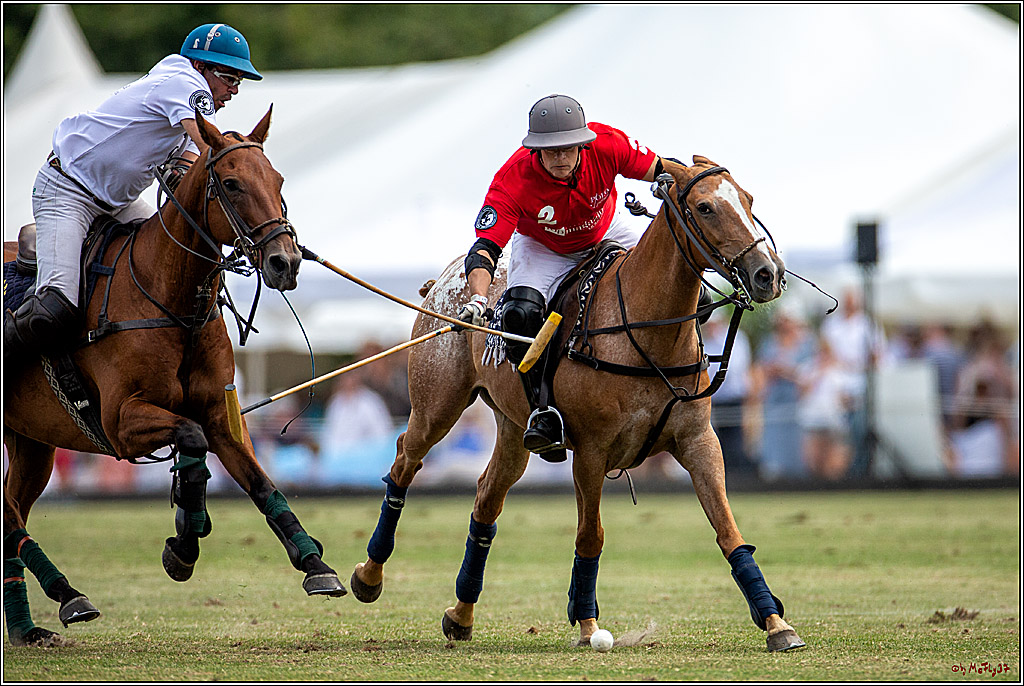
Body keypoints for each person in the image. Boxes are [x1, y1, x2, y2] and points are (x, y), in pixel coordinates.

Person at [457, 94, 709, 463]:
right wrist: (479, 299)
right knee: (520, 316)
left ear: (583, 143)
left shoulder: (608, 144)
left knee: (690, 291)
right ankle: (543, 412)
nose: (560, 157)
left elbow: (662, 168)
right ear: (535, 149)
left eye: (568, 148)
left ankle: (681, 382)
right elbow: (484, 250)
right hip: (543, 247)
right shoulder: (512, 179)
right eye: (550, 150)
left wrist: (699, 181)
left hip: (606, 229)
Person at [4, 23, 262, 364]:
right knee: (54, 307)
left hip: (118, 203)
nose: (234, 90)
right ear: (200, 66)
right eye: (229, 77)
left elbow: (187, 168)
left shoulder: (186, 108)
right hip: (68, 191)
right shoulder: (185, 83)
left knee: (169, 259)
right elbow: (213, 154)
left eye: (239, 81)